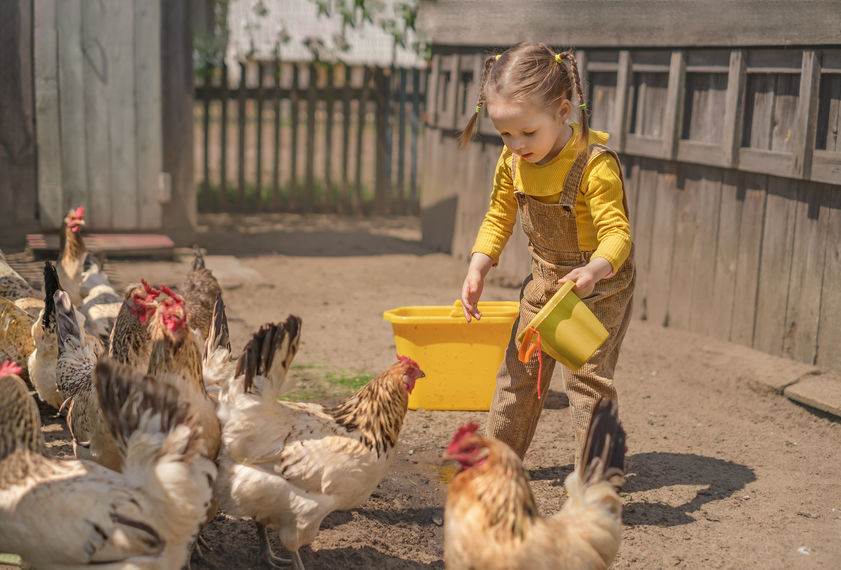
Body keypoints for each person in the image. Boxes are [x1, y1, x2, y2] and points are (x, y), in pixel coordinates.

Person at [459, 42, 635, 468]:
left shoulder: (595, 165)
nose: (516, 144)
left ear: (562, 110)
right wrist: (478, 265)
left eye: (527, 132)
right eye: (505, 133)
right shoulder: (513, 161)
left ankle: (596, 482)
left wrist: (594, 269)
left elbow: (618, 234)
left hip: (598, 288)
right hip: (544, 281)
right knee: (518, 374)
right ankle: (495, 466)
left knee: (586, 380)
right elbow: (498, 216)